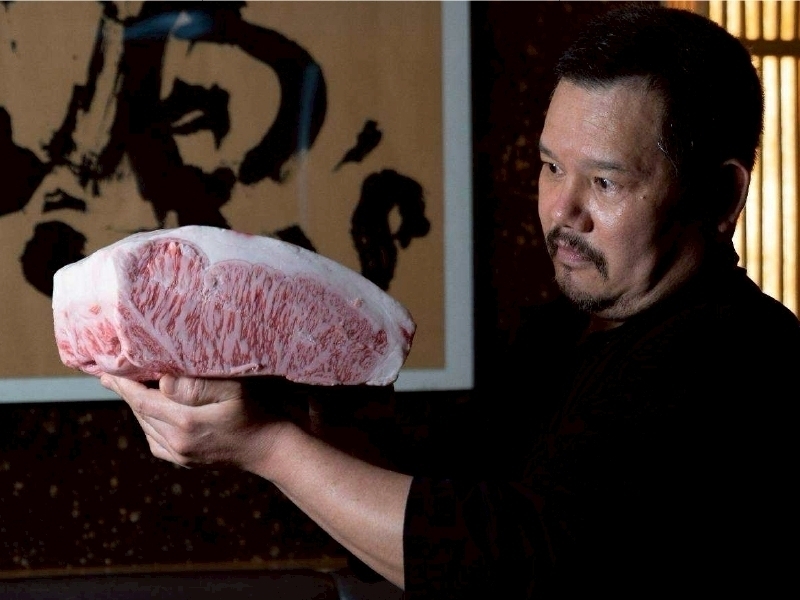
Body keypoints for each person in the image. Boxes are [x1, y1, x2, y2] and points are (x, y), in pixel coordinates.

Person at [101, 5, 799, 598]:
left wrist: (267, 448)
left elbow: (515, 564)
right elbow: (444, 506)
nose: (562, 212)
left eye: (605, 183)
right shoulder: (557, 335)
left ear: (721, 197)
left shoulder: (742, 356)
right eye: (551, 167)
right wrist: (280, 420)